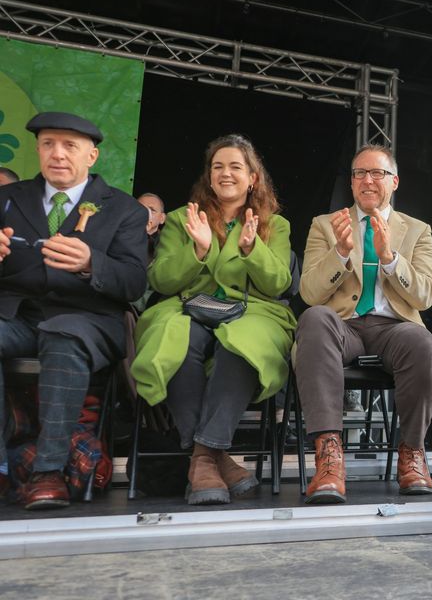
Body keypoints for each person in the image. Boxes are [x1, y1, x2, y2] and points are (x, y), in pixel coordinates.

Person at [131, 134, 296, 505]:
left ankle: (203, 457)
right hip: (186, 305)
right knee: (174, 335)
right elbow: (161, 281)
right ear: (208, 175)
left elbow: (278, 284)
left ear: (253, 178)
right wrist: (199, 249)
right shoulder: (181, 219)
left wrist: (253, 249)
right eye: (217, 166)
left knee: (243, 342)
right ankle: (212, 457)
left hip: (253, 310)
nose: (225, 173)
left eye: (236, 166)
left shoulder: (275, 225)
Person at [0, 112, 148, 509]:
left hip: (89, 321)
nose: (58, 154)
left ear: (91, 156)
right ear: (38, 150)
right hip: (17, 315)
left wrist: (91, 263)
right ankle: (2, 468)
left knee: (63, 335)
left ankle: (47, 473)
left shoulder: (125, 210)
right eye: (48, 144)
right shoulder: (7, 199)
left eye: (70, 146)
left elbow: (135, 282)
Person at [295, 144, 432, 503]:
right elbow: (310, 292)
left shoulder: (417, 230)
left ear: (394, 181)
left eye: (377, 173)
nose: (367, 180)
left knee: (423, 344)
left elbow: (426, 295)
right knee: (315, 318)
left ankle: (412, 451)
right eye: (359, 173)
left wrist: (390, 257)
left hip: (394, 328)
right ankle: (329, 458)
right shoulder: (326, 225)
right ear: (351, 182)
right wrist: (341, 252)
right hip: (343, 326)